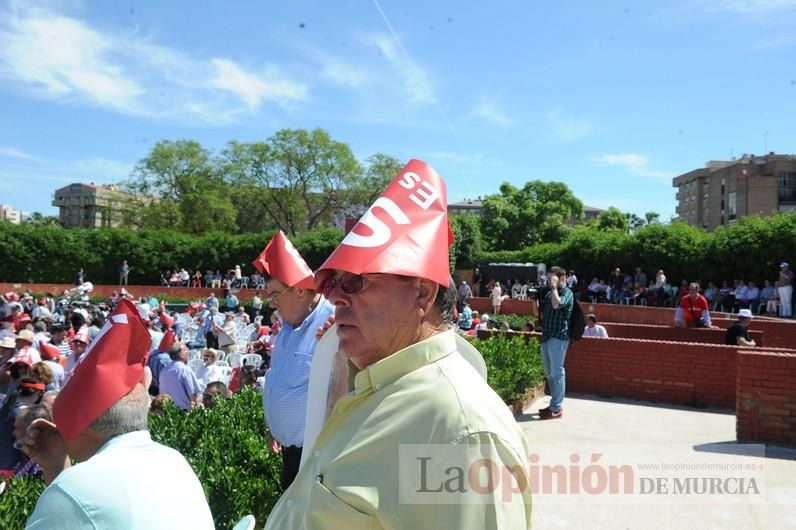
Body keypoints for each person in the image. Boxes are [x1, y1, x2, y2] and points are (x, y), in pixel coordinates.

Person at [264, 159, 531, 530]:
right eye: (331, 283)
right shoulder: (373, 386)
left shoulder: (460, 431)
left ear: (421, 292)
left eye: (355, 282)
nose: (336, 298)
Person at [22, 299, 214, 529]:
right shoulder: (174, 460)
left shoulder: (74, 490)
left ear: (84, 426)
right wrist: (56, 468)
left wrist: (60, 478)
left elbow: (81, 504)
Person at [254, 230, 335, 490]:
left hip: (319, 457)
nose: (272, 303)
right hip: (291, 451)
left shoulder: (334, 323)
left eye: (275, 295)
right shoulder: (288, 326)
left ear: (300, 291)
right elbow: (281, 378)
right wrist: (276, 425)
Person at [538, 266, 574, 419]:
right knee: (549, 373)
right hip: (547, 336)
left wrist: (554, 287)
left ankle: (556, 408)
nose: (550, 281)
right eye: (549, 278)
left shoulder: (567, 293)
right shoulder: (548, 293)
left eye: (553, 278)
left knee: (557, 372)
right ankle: (553, 404)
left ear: (561, 278)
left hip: (558, 337)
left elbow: (556, 304)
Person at [158, 341, 202, 410]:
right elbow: (193, 396)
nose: (188, 353)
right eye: (186, 350)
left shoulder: (164, 371)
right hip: (183, 412)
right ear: (181, 355)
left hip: (167, 410)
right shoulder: (185, 370)